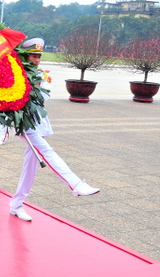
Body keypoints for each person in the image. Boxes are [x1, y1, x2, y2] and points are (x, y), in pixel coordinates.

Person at [9, 38, 100, 222]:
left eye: (38, 57)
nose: (36, 61)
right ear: (25, 56)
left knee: (31, 165)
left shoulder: (42, 75)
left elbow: (42, 99)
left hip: (36, 122)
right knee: (46, 151)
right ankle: (75, 184)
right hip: (22, 122)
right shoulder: (12, 73)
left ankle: (17, 204)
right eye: (33, 56)